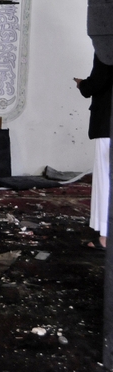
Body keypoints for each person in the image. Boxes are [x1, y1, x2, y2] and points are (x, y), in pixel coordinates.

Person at [75, 54, 113, 250]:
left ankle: (106, 237)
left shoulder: (107, 42)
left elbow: (99, 81)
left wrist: (83, 85)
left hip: (108, 122)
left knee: (106, 180)